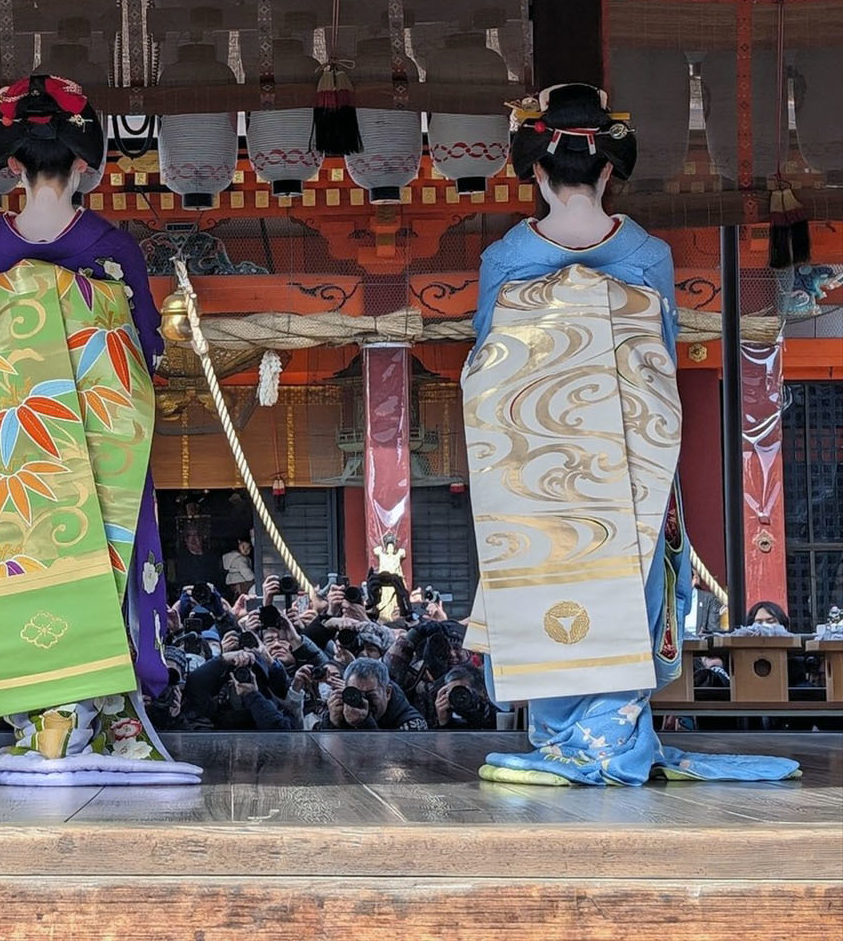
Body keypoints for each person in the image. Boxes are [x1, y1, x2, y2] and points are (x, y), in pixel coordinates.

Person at [462, 83, 798, 787]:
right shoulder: (646, 256)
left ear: (534, 171)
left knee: (542, 581)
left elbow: (489, 363)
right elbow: (659, 358)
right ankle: (613, 734)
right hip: (629, 460)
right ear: (611, 170)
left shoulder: (506, 258)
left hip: (533, 465)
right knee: (631, 588)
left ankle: (560, 739)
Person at [0, 74, 199, 785]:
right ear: (86, 161)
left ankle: (40, 722)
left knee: (16, 566)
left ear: (11, 163)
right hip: (98, 439)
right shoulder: (112, 246)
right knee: (107, 566)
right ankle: (118, 722)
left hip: (12, 448)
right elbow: (145, 347)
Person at [321, 657, 427, 731]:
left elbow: (394, 760)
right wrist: (332, 724)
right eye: (356, 694)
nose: (364, 702)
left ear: (387, 692)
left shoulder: (412, 724)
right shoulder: (341, 707)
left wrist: (364, 724)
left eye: (370, 695)